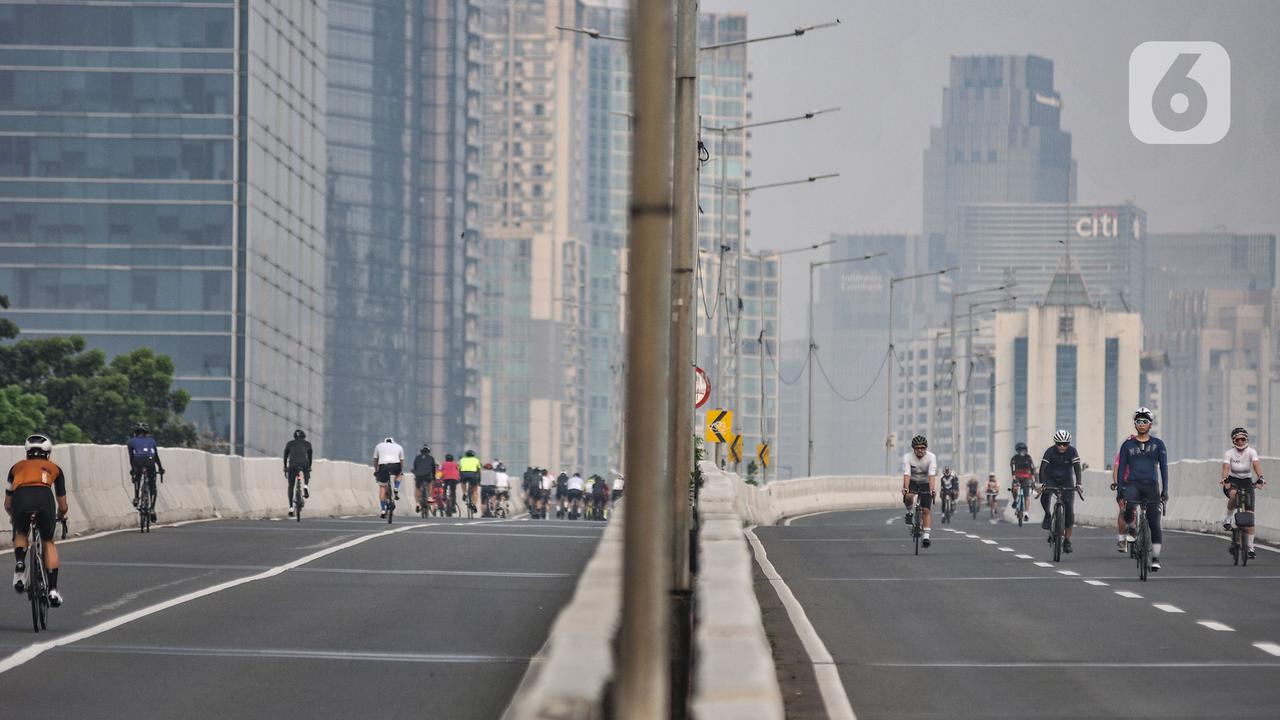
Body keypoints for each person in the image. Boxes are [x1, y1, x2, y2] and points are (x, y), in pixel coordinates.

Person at [6, 434, 69, 607]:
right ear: (47, 453)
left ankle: (20, 563)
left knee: (21, 532)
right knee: (48, 541)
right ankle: (53, 590)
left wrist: (14, 517)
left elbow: (8, 503)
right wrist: (61, 515)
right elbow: (63, 505)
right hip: (44, 499)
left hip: (20, 499)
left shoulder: (15, 468)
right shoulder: (55, 468)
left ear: (27, 452)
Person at [1116, 407, 1169, 571]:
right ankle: (1132, 528)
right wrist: (1120, 490)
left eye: (1145, 421)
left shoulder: (1158, 444)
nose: (1141, 424)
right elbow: (1121, 468)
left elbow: (1164, 468)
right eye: (1138, 421)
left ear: (1150, 424)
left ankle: (1155, 558)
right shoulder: (1127, 445)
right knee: (1129, 508)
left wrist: (1165, 490)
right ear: (1135, 424)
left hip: (1151, 486)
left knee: (1154, 522)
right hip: (1133, 484)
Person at [1221, 427, 1266, 560]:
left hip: (1246, 481)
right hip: (1232, 481)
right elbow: (1226, 467)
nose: (1240, 442)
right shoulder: (1229, 453)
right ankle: (1227, 519)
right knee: (1233, 494)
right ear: (1233, 441)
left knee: (1250, 517)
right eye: (1237, 439)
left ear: (1246, 440)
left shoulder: (1251, 452)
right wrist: (1225, 478)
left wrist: (1260, 477)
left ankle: (1251, 547)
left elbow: (1256, 464)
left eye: (1243, 439)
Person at [1038, 430, 1084, 553]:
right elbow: (1042, 468)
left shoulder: (1072, 451)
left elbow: (1077, 468)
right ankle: (1047, 515)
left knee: (1069, 509)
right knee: (1045, 494)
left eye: (1065, 444)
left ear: (1068, 444)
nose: (1062, 447)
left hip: (1066, 480)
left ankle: (1067, 540)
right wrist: (1042, 483)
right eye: (1059, 444)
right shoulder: (1050, 451)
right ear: (1055, 443)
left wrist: (1078, 483)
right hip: (1051, 478)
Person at [901, 435, 938, 548]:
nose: (920, 450)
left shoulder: (931, 457)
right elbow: (907, 474)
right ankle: (909, 512)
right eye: (917, 448)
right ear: (913, 448)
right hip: (912, 481)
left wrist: (932, 489)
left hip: (926, 483)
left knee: (926, 509)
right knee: (908, 496)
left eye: (922, 448)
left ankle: (926, 537)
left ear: (926, 448)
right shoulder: (908, 457)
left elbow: (931, 475)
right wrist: (906, 488)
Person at [127, 422, 165, 522]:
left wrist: (133, 469)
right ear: (147, 433)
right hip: (150, 461)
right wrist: (160, 468)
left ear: (135, 433)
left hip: (138, 461)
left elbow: (131, 457)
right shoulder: (152, 440)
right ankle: (152, 509)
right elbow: (156, 456)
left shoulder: (131, 442)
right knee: (152, 487)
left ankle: (136, 498)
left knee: (137, 477)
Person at [1111, 434, 1136, 552]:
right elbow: (1116, 470)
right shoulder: (1121, 455)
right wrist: (1116, 483)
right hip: (1124, 484)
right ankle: (1121, 539)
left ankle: (1136, 527)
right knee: (1122, 510)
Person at [372, 436, 405, 519]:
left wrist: (376, 470)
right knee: (399, 474)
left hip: (383, 466)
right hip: (395, 465)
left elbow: (375, 460)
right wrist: (400, 470)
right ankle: (396, 488)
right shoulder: (399, 446)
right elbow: (401, 461)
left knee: (382, 487)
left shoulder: (378, 446)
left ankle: (383, 510)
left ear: (384, 441)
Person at [283, 429, 313, 517]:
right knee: (306, 472)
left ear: (294, 437)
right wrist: (309, 467)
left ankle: (291, 508)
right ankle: (305, 486)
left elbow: (285, 456)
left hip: (292, 465)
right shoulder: (308, 444)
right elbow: (310, 457)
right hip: (304, 464)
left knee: (291, 486)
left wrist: (285, 467)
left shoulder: (289, 443)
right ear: (304, 436)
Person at [1009, 442, 1035, 522]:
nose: (1022, 451)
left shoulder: (1028, 458)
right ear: (1017, 450)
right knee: (1014, 489)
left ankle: (1026, 514)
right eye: (1020, 450)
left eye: (1023, 449)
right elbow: (1013, 470)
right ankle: (1015, 500)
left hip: (1026, 478)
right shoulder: (1014, 458)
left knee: (1027, 496)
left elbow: (1032, 469)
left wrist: (1033, 480)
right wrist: (1014, 479)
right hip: (1017, 477)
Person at [412, 444, 437, 514]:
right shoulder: (431, 458)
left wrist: (416, 474)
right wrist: (434, 477)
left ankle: (417, 503)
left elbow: (415, 467)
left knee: (417, 488)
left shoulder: (417, 457)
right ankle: (429, 497)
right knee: (430, 483)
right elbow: (433, 469)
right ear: (428, 451)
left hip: (419, 476)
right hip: (427, 475)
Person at [458, 450, 482, 515]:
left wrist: (460, 476)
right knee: (475, 490)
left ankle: (464, 493)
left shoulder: (462, 460)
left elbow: (459, 469)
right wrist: (479, 479)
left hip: (464, 474)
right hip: (473, 474)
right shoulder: (476, 460)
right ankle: (474, 504)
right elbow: (479, 470)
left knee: (463, 482)